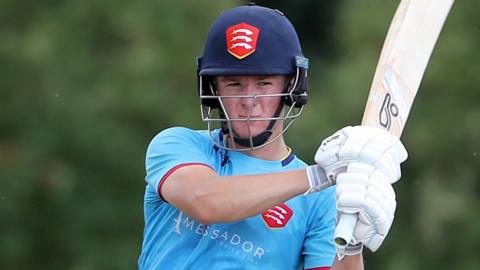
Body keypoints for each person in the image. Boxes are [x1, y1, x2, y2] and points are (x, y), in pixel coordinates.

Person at [138, 3, 407, 270]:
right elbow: (206, 202)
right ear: (213, 89)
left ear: (292, 86)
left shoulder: (321, 199)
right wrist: (321, 176)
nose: (249, 100)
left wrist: (351, 244)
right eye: (234, 84)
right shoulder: (177, 145)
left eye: (264, 83)